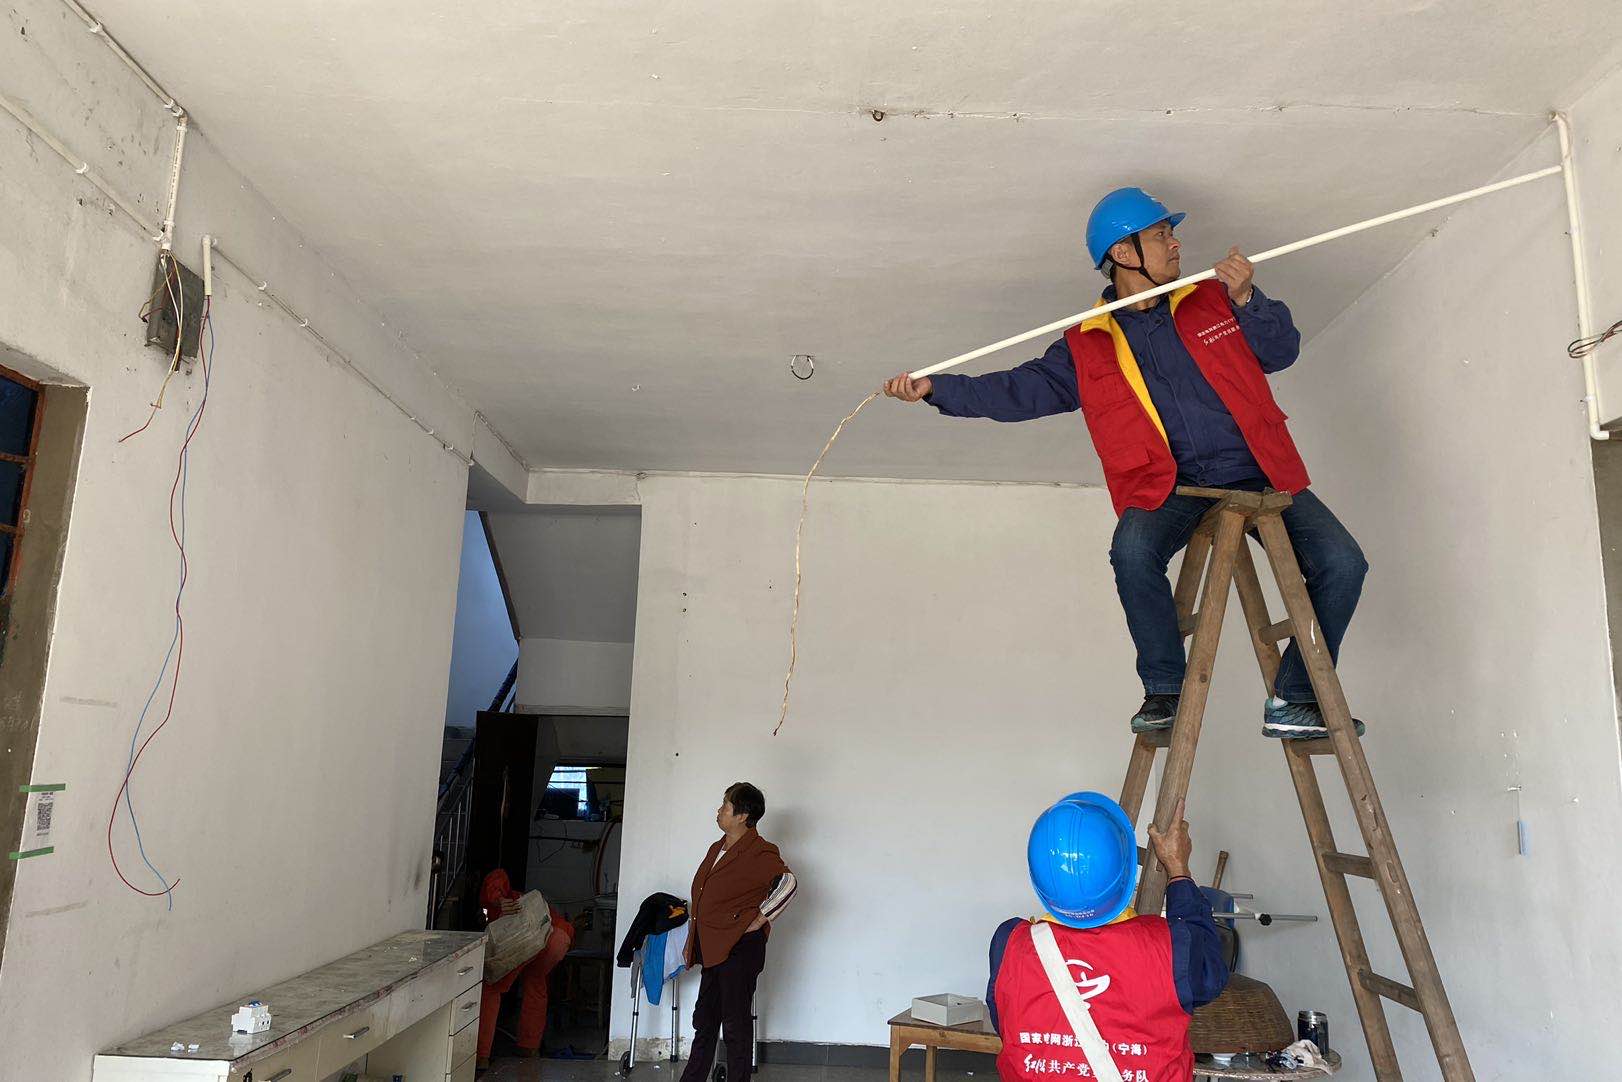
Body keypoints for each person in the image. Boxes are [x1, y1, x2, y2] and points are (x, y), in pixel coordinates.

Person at [883, 188, 1368, 740]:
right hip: (1170, 487)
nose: (1175, 243)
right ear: (1122, 253)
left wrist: (1247, 298)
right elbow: (1017, 391)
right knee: (1131, 553)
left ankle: (1296, 697)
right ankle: (1166, 690)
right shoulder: (1086, 343)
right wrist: (935, 389)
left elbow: (1282, 351)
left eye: (1171, 233)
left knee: (1343, 563)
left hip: (1260, 470)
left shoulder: (1214, 299)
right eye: (1161, 235)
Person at [987, 794, 1226, 1082]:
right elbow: (1210, 973)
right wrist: (1178, 868)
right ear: (1126, 872)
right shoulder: (1170, 947)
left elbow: (1006, 1022)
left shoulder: (1009, 944)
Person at [680, 782, 798, 1082]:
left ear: (743, 815)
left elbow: (788, 883)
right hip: (713, 946)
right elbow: (704, 897)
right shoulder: (717, 848)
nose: (719, 810)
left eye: (725, 805)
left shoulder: (760, 851)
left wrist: (760, 918)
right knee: (705, 1020)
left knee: (734, 1025)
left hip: (739, 948)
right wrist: (692, 941)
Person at [475, 868, 575, 1071]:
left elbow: (496, 879)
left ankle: (480, 1057)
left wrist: (497, 901)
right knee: (536, 983)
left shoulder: (502, 899)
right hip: (559, 936)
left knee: (492, 986)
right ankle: (529, 1048)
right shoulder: (526, 898)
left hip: (527, 937)